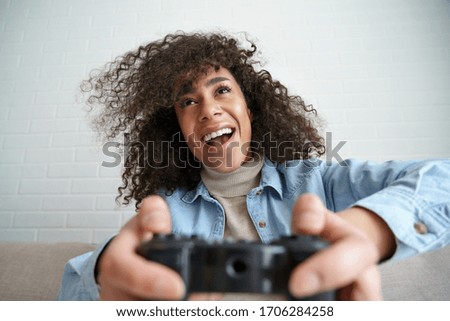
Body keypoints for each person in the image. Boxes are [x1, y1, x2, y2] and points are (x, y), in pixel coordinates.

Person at [57, 32, 450, 301]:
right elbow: (72, 286)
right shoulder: (166, 210)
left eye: (222, 90)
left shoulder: (318, 180)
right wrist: (104, 271)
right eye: (187, 102)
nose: (209, 109)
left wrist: (370, 231)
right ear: (176, 129)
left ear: (249, 107)